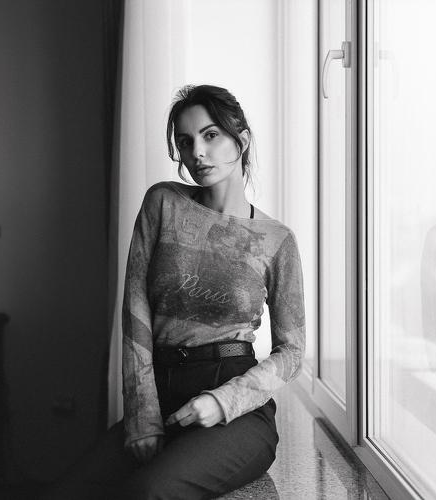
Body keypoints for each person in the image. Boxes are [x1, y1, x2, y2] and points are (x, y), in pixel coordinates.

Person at [43, 84, 305, 499]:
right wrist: (142, 415)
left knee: (151, 491)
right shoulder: (162, 202)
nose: (197, 152)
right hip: (162, 395)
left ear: (242, 139)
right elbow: (135, 309)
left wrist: (223, 402)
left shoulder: (277, 239)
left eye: (210, 135)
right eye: (185, 141)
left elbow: (292, 351)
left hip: (236, 405)